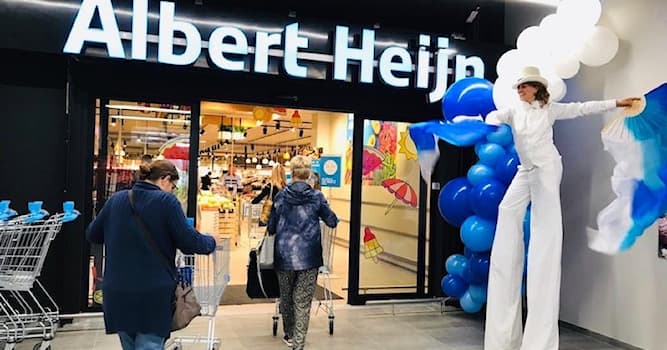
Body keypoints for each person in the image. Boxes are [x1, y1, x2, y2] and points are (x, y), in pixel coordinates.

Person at [482, 66, 639, 350]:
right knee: (507, 210)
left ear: (535, 88)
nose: (519, 91)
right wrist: (487, 122)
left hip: (547, 169)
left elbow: (582, 108)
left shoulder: (550, 110)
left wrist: (616, 102)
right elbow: (494, 117)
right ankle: (508, 267)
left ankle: (540, 337)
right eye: (517, 88)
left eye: (524, 87)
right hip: (526, 170)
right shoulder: (514, 111)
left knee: (545, 226)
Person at [86, 160, 217, 350]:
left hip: (118, 290)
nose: (172, 190)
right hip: (152, 294)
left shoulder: (117, 199)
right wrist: (211, 241)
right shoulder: (166, 202)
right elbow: (190, 242)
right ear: (164, 179)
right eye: (173, 186)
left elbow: (93, 234)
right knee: (150, 344)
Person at [267, 156, 338, 350]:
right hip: (309, 257)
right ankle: (298, 343)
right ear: (309, 175)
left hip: (283, 257)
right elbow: (332, 221)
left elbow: (271, 227)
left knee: (286, 298)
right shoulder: (316, 197)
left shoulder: (281, 196)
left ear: (292, 173)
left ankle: (289, 334)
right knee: (302, 301)